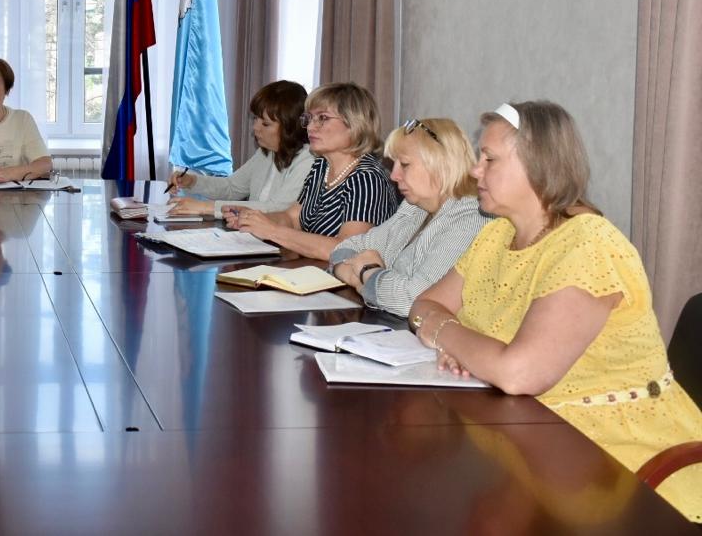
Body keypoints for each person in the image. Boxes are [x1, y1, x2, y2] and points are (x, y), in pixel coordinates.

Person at [410, 101, 702, 522]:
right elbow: (424, 305)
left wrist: (444, 334)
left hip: (620, 468)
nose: (475, 171)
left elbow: (518, 373)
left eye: (489, 159)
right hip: (529, 441)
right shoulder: (496, 236)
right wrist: (456, 337)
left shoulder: (589, 246)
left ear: (537, 164)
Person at [328, 117, 487, 316]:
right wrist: (356, 276)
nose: (394, 176)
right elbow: (345, 247)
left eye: (404, 164)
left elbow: (415, 301)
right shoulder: (415, 207)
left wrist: (367, 271)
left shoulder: (470, 221)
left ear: (441, 165)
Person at [227, 82, 398, 260]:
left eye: (323, 118)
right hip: (312, 270)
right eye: (309, 118)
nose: (310, 127)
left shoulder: (367, 178)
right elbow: (292, 218)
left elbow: (347, 250)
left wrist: (272, 231)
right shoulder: (321, 166)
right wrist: (253, 219)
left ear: (355, 124)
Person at [166, 80, 314, 218]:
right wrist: (192, 181)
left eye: (266, 124)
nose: (255, 127)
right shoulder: (266, 153)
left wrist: (207, 207)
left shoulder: (308, 160)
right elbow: (231, 187)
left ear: (290, 127)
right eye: (256, 118)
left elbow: (276, 209)